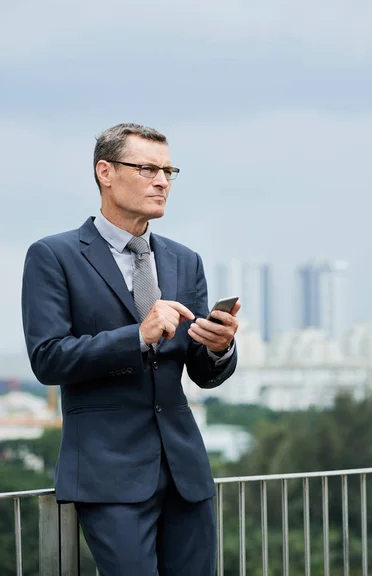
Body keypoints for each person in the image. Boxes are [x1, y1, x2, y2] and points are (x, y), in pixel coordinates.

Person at [21, 123, 240, 576]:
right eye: (146, 169)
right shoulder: (53, 255)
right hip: (108, 476)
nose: (161, 181)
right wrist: (137, 336)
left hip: (185, 472)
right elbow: (48, 358)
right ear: (105, 171)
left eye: (168, 171)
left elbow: (201, 370)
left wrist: (219, 347)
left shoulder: (184, 259)